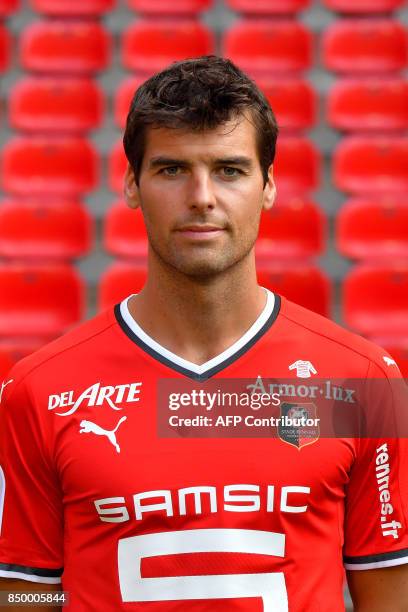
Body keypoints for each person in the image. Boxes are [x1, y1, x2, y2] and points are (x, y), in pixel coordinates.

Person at [0, 55, 407, 611]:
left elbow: (389, 599)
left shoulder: (360, 383)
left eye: (229, 170)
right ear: (131, 185)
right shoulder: (41, 391)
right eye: (171, 170)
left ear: (268, 186)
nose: (202, 197)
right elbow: (24, 599)